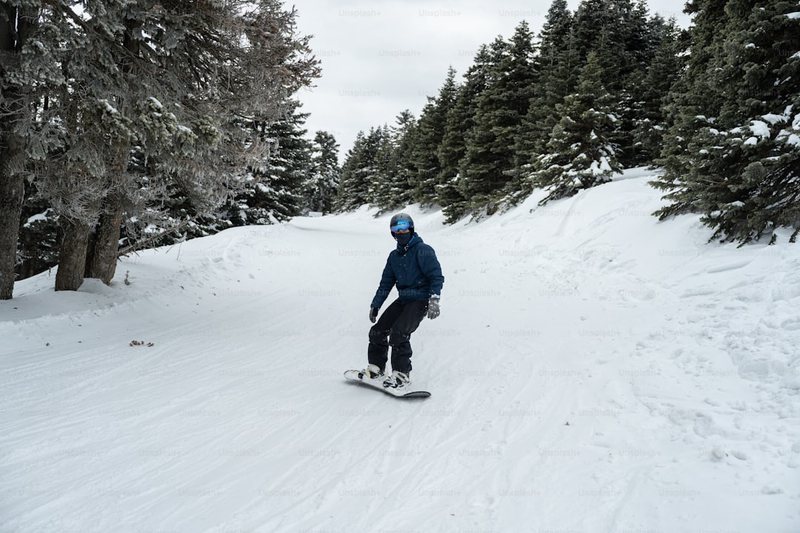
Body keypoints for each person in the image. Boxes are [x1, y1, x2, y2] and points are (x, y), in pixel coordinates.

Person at [361, 213, 444, 390]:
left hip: (420, 300)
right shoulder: (394, 256)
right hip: (404, 299)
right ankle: (376, 368)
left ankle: (401, 374)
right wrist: (376, 304)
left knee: (399, 333)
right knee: (377, 331)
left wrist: (434, 299)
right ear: (392, 233)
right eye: (396, 229)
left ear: (411, 228)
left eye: (404, 227)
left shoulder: (423, 250)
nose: (401, 232)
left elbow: (436, 276)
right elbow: (386, 283)